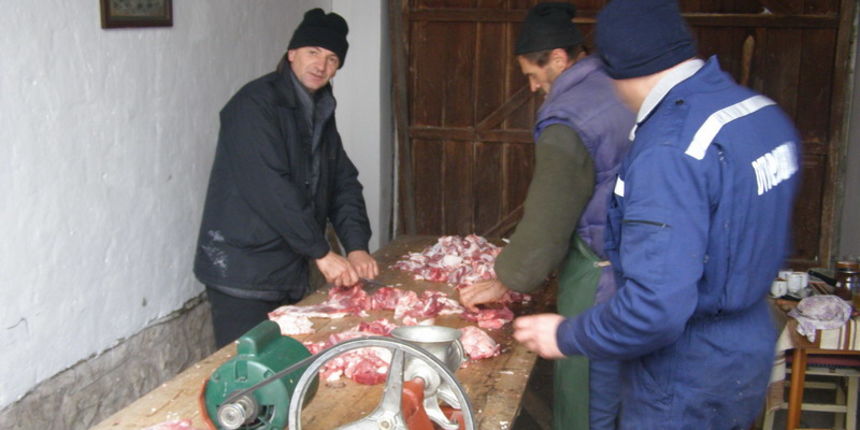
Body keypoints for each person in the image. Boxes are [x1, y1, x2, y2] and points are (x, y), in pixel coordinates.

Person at [513, 0, 801, 427]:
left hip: (686, 367)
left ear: (617, 69)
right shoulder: (759, 113)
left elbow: (655, 309)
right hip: (745, 344)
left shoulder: (669, 148)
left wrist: (565, 334)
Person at [458, 3, 633, 429]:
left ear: (558, 58)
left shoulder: (568, 117)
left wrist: (509, 278)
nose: (535, 87)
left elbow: (550, 211)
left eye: (534, 76)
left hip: (601, 277)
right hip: (637, 266)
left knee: (585, 393)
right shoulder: (617, 85)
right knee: (625, 390)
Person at [193, 8, 378, 348]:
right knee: (245, 376)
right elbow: (269, 188)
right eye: (312, 52)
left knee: (279, 371)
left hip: (285, 268)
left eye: (332, 58)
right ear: (292, 53)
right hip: (242, 270)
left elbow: (341, 182)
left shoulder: (319, 109)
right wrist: (321, 252)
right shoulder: (254, 105)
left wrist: (356, 246)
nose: (320, 65)